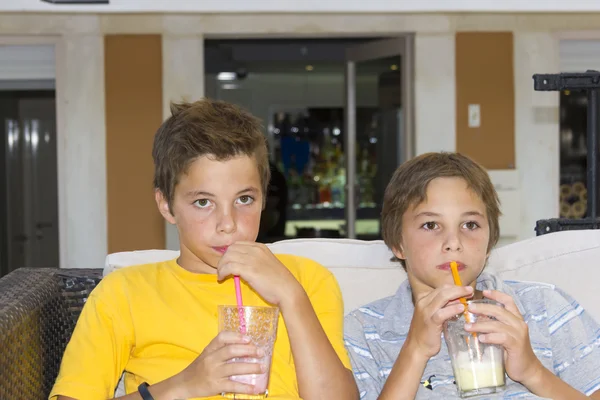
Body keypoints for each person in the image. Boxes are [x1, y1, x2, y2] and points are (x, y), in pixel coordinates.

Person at [50, 99, 357, 400]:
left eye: (244, 199)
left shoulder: (306, 280)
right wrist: (186, 385)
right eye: (203, 202)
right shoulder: (123, 294)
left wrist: (291, 297)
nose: (228, 224)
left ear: (264, 198)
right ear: (167, 206)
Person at [344, 152, 600, 399]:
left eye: (470, 225)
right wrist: (415, 350)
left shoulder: (543, 306)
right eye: (431, 225)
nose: (453, 242)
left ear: (490, 242)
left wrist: (532, 372)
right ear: (398, 244)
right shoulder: (365, 331)